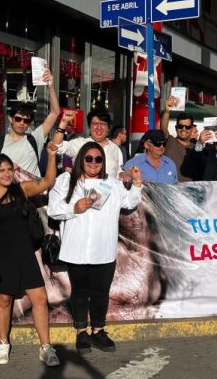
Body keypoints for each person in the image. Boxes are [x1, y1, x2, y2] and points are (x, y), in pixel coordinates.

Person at [47, 143, 143, 354]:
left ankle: (98, 330)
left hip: (104, 249)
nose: (93, 163)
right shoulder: (67, 181)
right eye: (88, 158)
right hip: (76, 248)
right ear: (81, 159)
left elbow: (129, 203)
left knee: (101, 293)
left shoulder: (111, 183)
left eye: (98, 159)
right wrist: (73, 208)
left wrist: (136, 184)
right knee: (80, 292)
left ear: (103, 161)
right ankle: (81, 331)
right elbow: (53, 209)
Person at [0, 150, 59, 367]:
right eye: (2, 170)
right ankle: (3, 342)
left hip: (25, 254)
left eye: (10, 169)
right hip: (0, 255)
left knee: (40, 299)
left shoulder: (21, 189)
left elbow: (47, 181)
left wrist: (52, 156)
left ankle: (46, 347)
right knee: (3, 300)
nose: (7, 174)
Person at [0, 70, 59, 178]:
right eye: (18, 119)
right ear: (10, 119)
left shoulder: (35, 139)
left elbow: (55, 112)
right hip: (7, 192)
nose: (22, 123)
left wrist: (50, 87)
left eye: (26, 120)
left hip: (32, 193)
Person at [54, 109, 124, 178]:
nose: (99, 127)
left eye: (103, 124)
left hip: (110, 188)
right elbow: (57, 146)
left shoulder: (116, 149)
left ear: (108, 128)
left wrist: (124, 175)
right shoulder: (79, 143)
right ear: (89, 127)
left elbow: (118, 173)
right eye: (95, 124)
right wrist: (63, 122)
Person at [160, 96, 195, 181]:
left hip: (191, 190)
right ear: (176, 128)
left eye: (187, 127)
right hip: (171, 189)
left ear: (192, 128)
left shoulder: (196, 148)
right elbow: (163, 129)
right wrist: (167, 111)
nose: (183, 129)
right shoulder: (170, 141)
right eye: (180, 126)